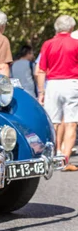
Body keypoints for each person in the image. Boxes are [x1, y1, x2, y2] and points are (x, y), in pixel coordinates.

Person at [37, 15, 78, 171]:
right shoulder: (76, 44)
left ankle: (52, 156)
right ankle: (65, 160)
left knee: (52, 122)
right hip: (72, 83)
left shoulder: (48, 44)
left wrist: (41, 91)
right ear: (71, 28)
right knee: (71, 123)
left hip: (53, 84)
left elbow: (41, 70)